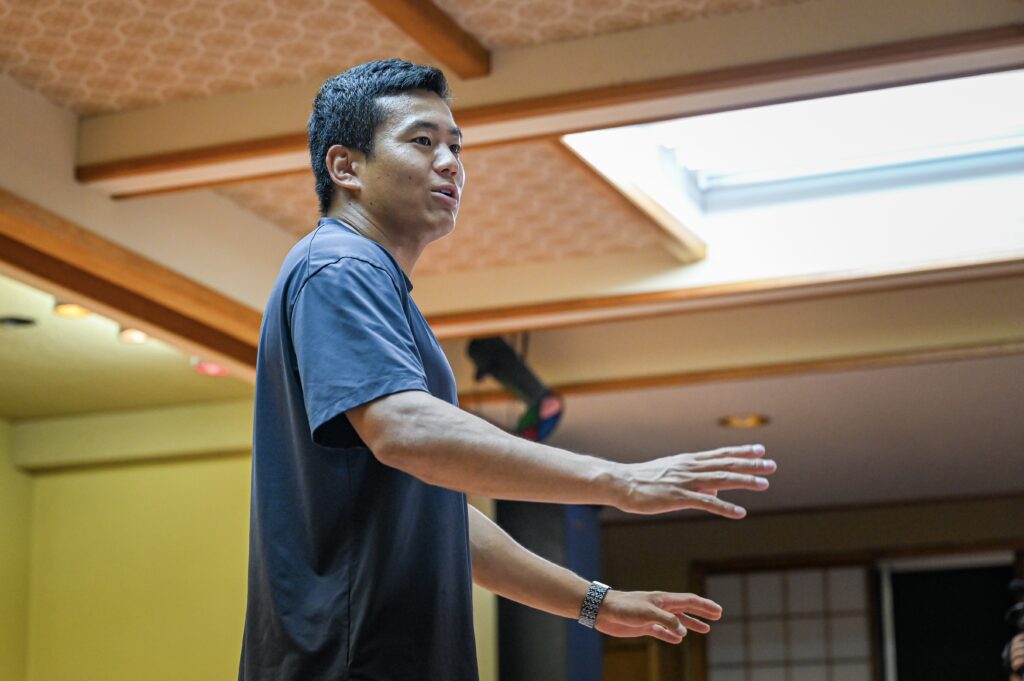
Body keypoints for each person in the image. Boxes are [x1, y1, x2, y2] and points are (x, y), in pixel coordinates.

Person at [238, 59, 777, 681]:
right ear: (346, 167)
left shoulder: (368, 279)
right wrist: (619, 481)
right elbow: (404, 429)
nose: (450, 163)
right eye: (422, 141)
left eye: (455, 146)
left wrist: (593, 603)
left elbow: (439, 514)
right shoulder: (340, 266)